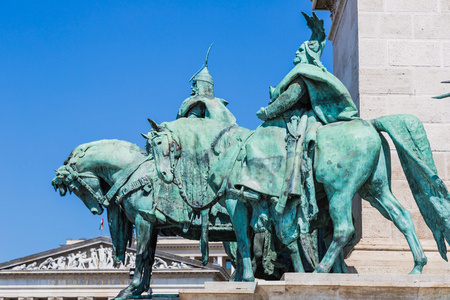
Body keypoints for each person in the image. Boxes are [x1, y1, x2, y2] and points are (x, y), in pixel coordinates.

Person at [177, 44, 236, 124]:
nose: (192, 87)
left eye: (194, 84)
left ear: (200, 85)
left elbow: (189, 123)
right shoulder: (221, 105)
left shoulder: (199, 101)